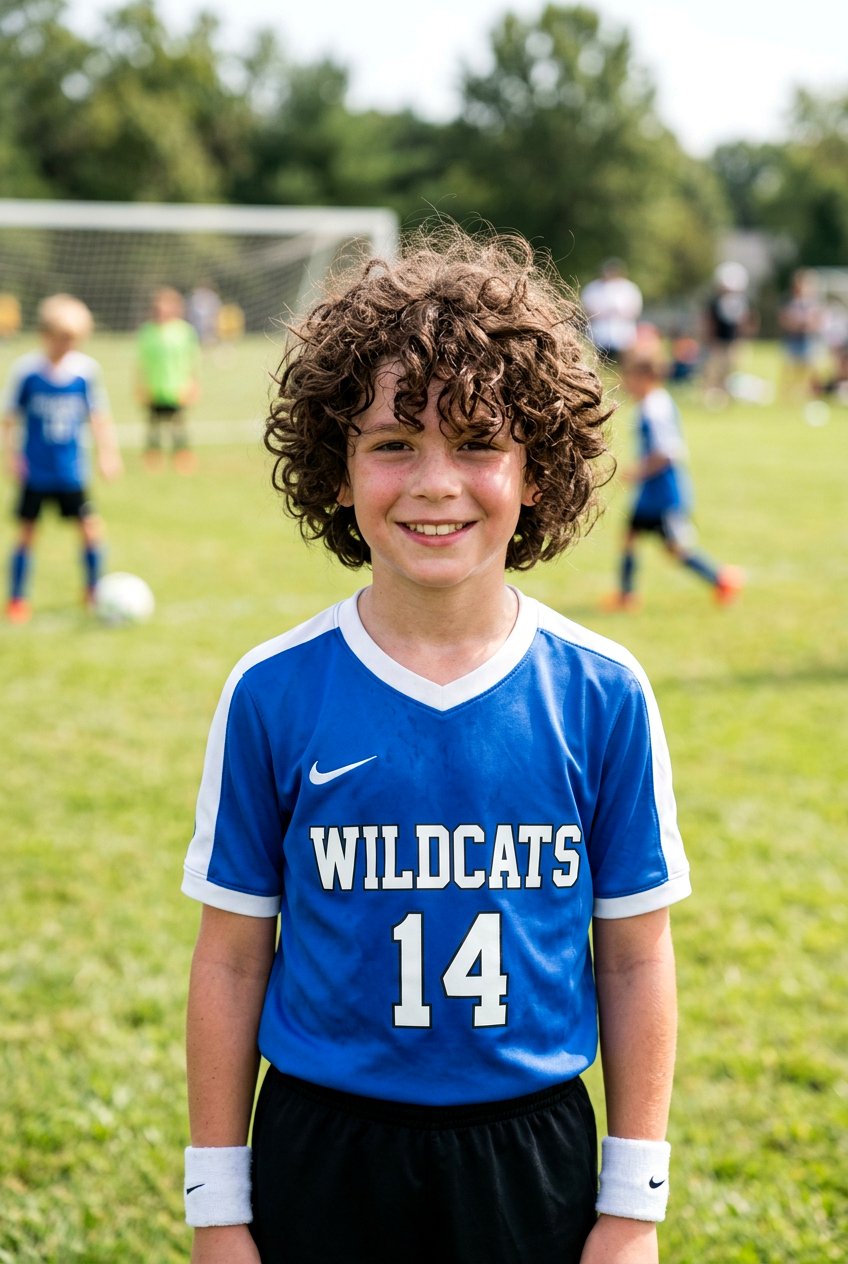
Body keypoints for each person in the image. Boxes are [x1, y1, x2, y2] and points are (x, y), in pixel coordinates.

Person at [182, 227, 692, 1264]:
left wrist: (632, 1204)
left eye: (475, 444)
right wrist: (216, 1205)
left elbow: (634, 956)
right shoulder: (271, 692)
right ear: (334, 470)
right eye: (390, 444)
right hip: (321, 1142)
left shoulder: (600, 692)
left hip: (529, 1147)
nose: (433, 482)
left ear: (536, 470)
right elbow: (232, 960)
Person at [2, 293, 122, 623]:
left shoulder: (85, 373)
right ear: (45, 335)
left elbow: (98, 418)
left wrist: (107, 455)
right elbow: (9, 419)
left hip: (71, 471)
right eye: (62, 339)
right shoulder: (27, 372)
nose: (67, 346)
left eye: (74, 340)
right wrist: (11, 456)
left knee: (89, 528)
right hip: (36, 471)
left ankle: (94, 591)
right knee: (26, 531)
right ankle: (16, 598)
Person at [604, 344, 744, 611]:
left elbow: (667, 452)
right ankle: (625, 597)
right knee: (629, 538)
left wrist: (638, 472)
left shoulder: (655, 408)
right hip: (649, 494)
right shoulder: (651, 404)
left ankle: (722, 580)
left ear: (646, 377)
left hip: (663, 494)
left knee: (677, 550)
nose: (628, 384)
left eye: (631, 377)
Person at [136, 287, 200, 472]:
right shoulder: (147, 331)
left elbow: (192, 361)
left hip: (177, 387)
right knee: (154, 425)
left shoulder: (185, 332)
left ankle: (182, 458)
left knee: (178, 425)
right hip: (155, 387)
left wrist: (193, 385)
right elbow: (142, 363)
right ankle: (153, 459)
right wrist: (141, 385)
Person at [701, 262, 753, 406]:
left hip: (733, 341)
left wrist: (743, 339)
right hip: (718, 341)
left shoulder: (741, 302)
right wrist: (709, 340)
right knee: (713, 371)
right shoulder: (715, 302)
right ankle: (710, 396)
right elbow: (709, 322)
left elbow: (746, 321)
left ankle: (727, 397)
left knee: (730, 372)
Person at [580, 258, 643, 362]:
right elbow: (586, 310)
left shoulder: (629, 288)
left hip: (623, 332)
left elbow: (635, 310)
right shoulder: (592, 288)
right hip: (599, 333)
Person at [778, 269, 823, 401]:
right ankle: (787, 395)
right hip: (793, 339)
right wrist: (795, 325)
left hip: (808, 339)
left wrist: (809, 325)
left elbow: (819, 321)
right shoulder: (789, 302)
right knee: (790, 368)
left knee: (809, 369)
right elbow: (784, 319)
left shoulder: (813, 303)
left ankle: (807, 395)